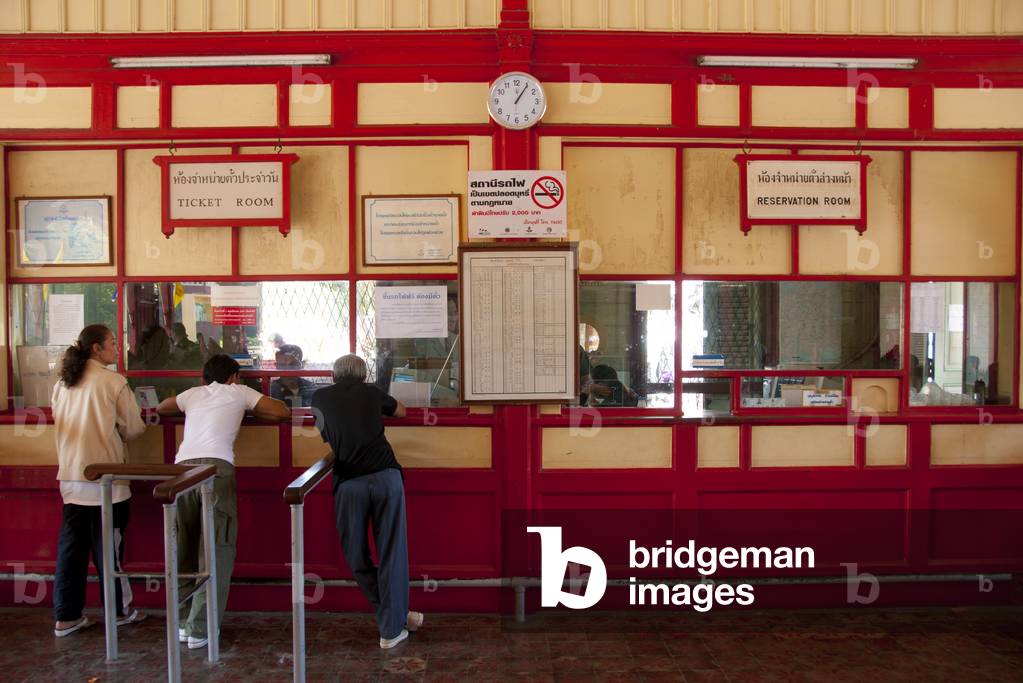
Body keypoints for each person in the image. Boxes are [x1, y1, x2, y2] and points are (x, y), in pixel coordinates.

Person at [156, 355, 290, 649]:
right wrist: (249, 410)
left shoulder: (194, 394)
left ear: (204, 378)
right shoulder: (238, 392)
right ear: (234, 376)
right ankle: (201, 629)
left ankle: (181, 623)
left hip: (181, 471)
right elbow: (281, 411)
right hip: (215, 472)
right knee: (216, 549)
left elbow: (163, 407)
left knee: (185, 548)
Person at [311, 354, 423, 649]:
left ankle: (393, 622)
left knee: (355, 556)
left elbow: (329, 433)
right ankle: (394, 619)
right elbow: (401, 411)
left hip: (349, 483)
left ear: (334, 376)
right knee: (392, 553)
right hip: (386, 477)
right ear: (363, 377)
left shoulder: (319, 397)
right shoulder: (372, 393)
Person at [51, 324, 148, 637]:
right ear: (96, 348)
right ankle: (118, 611)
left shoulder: (63, 383)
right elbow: (134, 428)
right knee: (110, 552)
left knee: (70, 552)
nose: (117, 348)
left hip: (71, 478)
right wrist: (116, 433)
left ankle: (66, 618)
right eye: (112, 343)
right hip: (108, 482)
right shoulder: (113, 381)